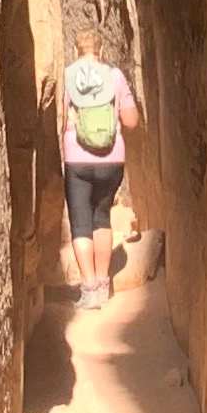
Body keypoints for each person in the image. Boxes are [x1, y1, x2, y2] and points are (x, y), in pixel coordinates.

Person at [57, 31, 139, 313]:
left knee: (81, 223)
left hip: (78, 160)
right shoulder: (114, 76)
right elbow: (130, 121)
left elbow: (58, 118)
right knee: (101, 218)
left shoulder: (67, 76)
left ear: (76, 48)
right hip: (111, 159)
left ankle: (89, 289)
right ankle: (104, 284)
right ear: (101, 48)